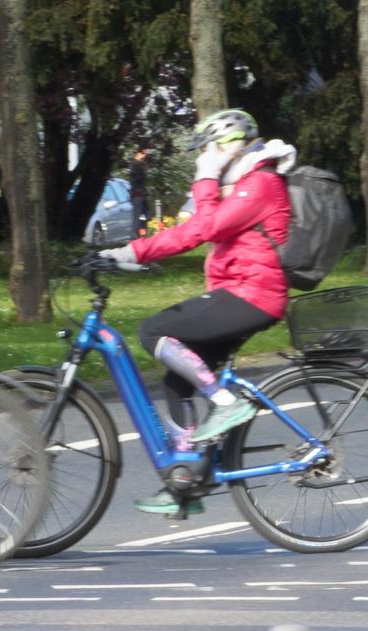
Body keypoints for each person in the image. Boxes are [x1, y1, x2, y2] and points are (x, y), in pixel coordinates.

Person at [97, 109, 295, 516]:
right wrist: (130, 252)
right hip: (238, 292)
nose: (203, 156)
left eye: (207, 149)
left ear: (227, 146)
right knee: (176, 382)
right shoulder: (244, 183)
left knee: (154, 331)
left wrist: (205, 178)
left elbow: (205, 229)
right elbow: (199, 228)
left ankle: (225, 402)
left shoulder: (260, 182)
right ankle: (184, 482)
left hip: (253, 295)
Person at [128, 148, 150, 236]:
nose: (144, 156)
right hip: (137, 194)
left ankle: (141, 231)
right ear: (138, 154)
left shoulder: (138, 164)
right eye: (143, 154)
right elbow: (135, 180)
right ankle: (135, 234)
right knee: (137, 215)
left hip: (141, 194)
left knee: (146, 213)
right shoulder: (135, 165)